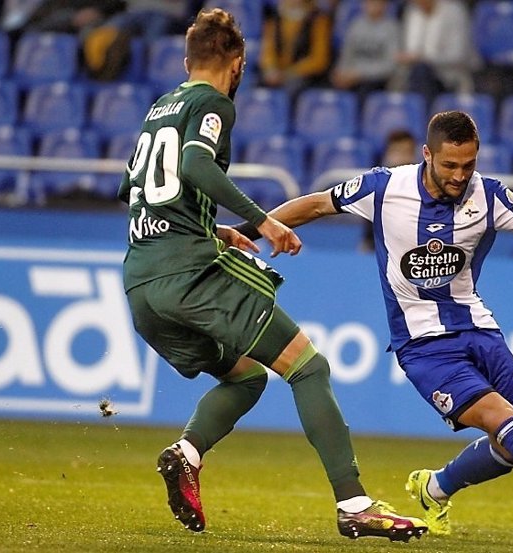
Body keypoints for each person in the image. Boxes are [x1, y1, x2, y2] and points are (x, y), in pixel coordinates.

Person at [233, 110, 513, 536]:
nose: (460, 175)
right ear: (427, 155)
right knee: (503, 420)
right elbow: (315, 204)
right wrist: (244, 231)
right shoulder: (384, 187)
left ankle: (435, 488)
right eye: (449, 165)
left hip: (478, 327)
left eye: (469, 165)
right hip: (422, 344)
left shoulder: (489, 195)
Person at [117, 8, 426, 542]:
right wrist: (262, 221)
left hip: (142, 281)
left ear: (187, 60)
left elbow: (141, 194)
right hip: (192, 276)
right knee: (308, 367)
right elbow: (193, 167)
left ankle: (186, 454)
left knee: (246, 377)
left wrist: (218, 233)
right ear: (236, 64)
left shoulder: (158, 110)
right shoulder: (212, 103)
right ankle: (354, 505)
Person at [390, 0, 478, 101]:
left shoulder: (453, 12)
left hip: (448, 74)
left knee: (422, 71)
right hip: (413, 73)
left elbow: (457, 54)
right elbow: (407, 49)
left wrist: (423, 58)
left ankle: (424, 113)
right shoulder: (412, 12)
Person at [258, 0, 332, 100]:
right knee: (258, 87)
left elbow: (319, 59)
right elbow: (268, 50)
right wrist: (271, 69)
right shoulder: (275, 17)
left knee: (291, 87)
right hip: (279, 73)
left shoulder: (318, 19)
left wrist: (289, 73)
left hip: (306, 75)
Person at [360, 129, 419, 252]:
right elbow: (368, 239)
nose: (403, 158)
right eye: (398, 152)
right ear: (388, 154)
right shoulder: (373, 189)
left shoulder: (425, 189)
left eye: (407, 152)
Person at [329, 0, 400, 100]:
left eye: (376, 3)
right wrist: (342, 72)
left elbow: (390, 65)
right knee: (334, 90)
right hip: (351, 76)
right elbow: (346, 54)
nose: (372, 6)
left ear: (385, 6)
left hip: (375, 79)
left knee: (363, 91)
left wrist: (360, 74)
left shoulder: (392, 28)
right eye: (369, 2)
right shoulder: (356, 25)